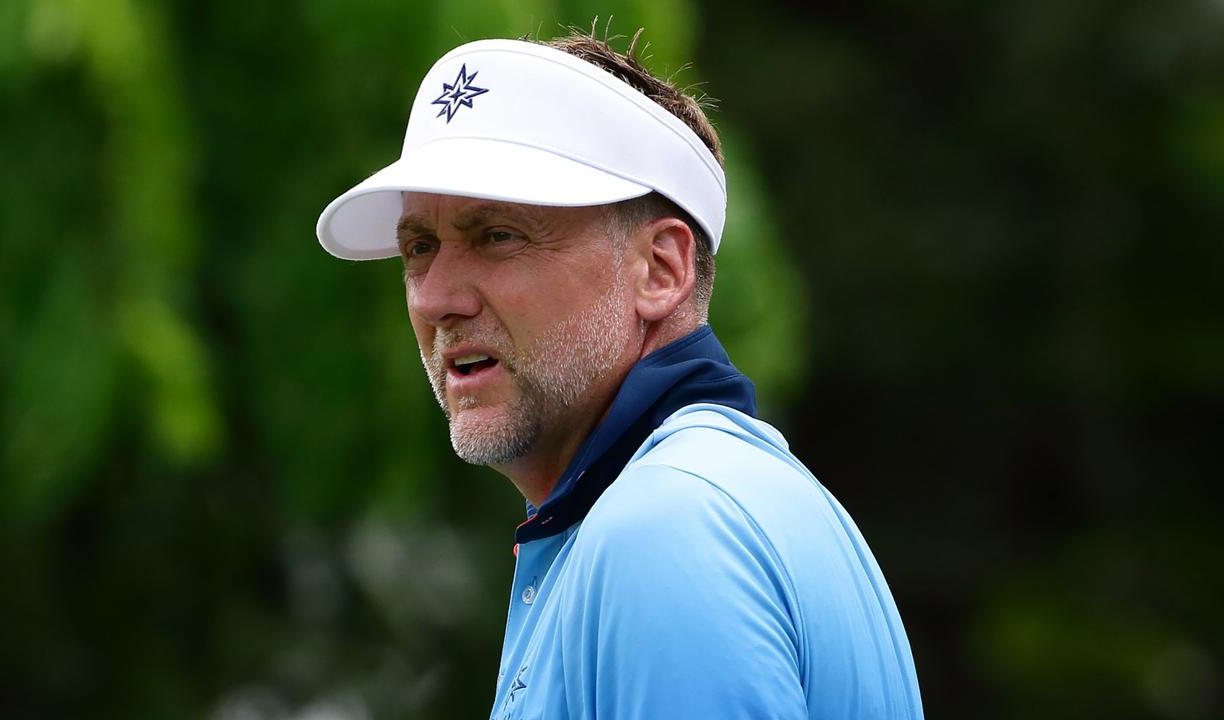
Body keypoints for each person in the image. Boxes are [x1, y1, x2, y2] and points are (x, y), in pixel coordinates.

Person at [316, 28, 924, 720]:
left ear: (661, 269)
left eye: (498, 236)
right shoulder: (726, 499)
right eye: (420, 247)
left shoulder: (664, 531)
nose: (433, 297)